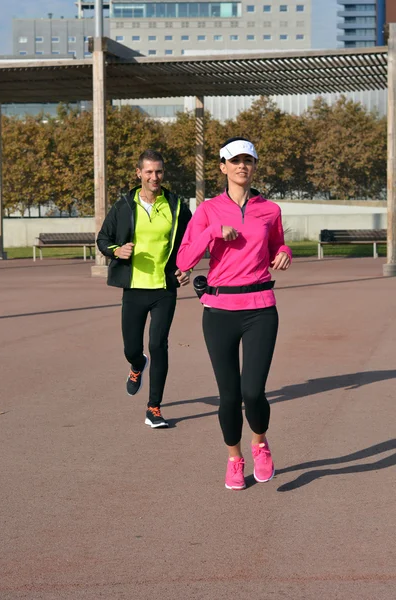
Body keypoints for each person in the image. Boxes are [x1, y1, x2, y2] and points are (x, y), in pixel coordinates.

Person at [177, 137, 292, 490]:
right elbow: (184, 260)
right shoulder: (209, 210)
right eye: (235, 160)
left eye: (248, 160)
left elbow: (276, 244)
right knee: (229, 396)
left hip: (260, 309)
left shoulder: (269, 209)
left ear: (254, 166)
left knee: (253, 392)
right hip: (219, 310)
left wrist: (285, 251)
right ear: (223, 167)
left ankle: (260, 445)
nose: (243, 166)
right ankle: (234, 459)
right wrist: (212, 231)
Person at [97, 149, 192, 428]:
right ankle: (137, 365)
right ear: (138, 173)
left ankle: (154, 408)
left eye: (159, 171)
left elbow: (191, 241)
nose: (154, 177)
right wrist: (117, 250)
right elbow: (103, 239)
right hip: (134, 289)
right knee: (132, 348)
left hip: (164, 288)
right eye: (149, 172)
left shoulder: (175, 205)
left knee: (158, 344)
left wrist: (185, 268)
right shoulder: (124, 205)